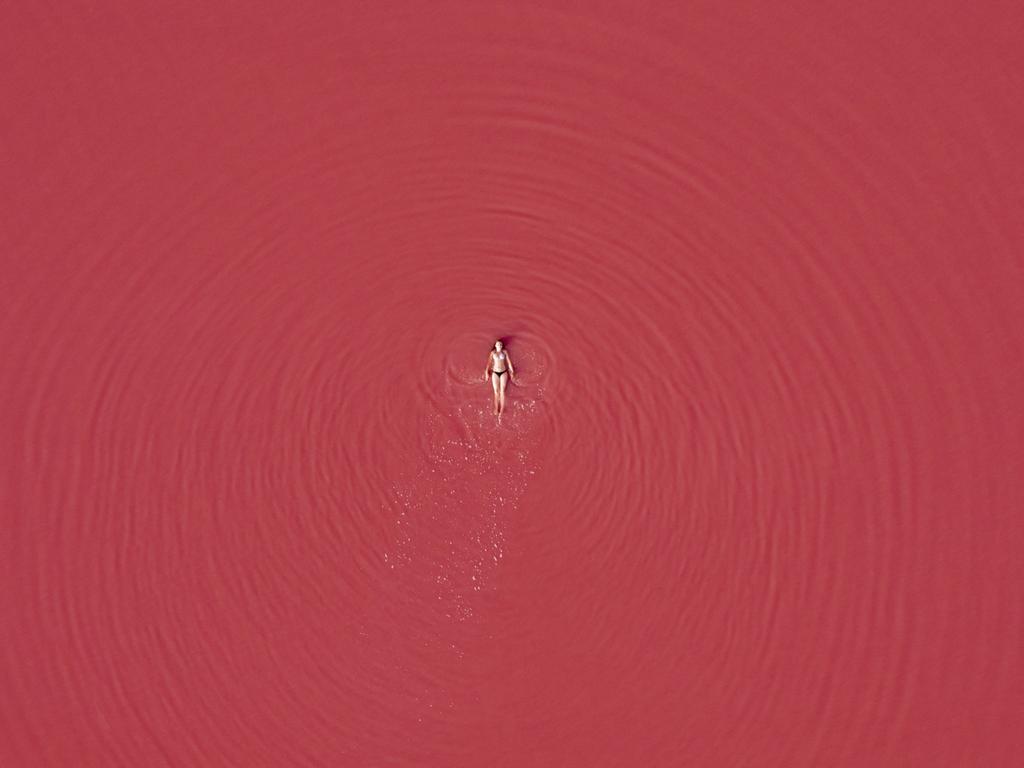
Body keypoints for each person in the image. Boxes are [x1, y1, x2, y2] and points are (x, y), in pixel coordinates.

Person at [483, 340, 515, 418]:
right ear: (495, 346)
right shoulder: (493, 353)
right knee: (496, 392)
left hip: (504, 372)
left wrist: (512, 371)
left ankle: (501, 409)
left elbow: (509, 362)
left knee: (502, 391)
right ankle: (496, 408)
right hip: (495, 373)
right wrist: (486, 373)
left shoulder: (504, 352)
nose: (499, 346)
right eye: (498, 344)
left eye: (501, 344)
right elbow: (489, 363)